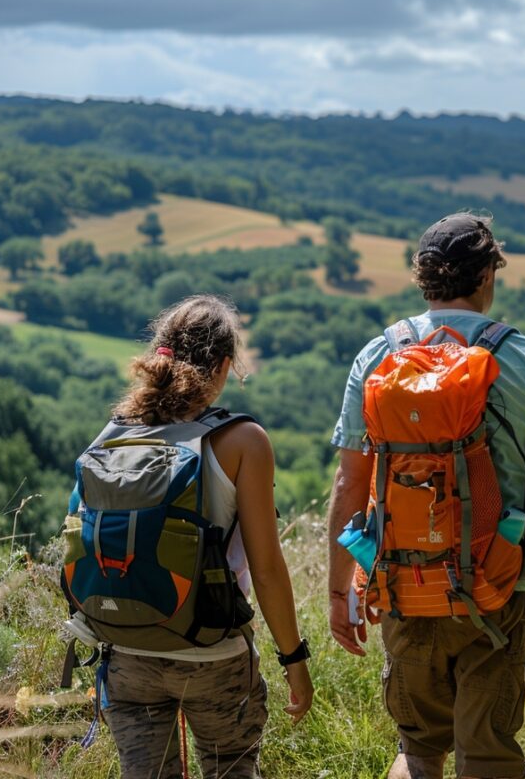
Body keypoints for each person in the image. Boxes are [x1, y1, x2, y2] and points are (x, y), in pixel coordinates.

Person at [326, 212, 525, 779]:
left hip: (401, 584)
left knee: (418, 750)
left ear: (423, 279)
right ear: (487, 276)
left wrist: (338, 594)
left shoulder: (378, 356)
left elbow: (350, 483)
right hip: (495, 589)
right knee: (489, 753)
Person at [95, 295, 313, 778]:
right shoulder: (242, 441)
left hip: (125, 648)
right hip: (211, 651)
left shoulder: (114, 435)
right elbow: (267, 566)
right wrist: (294, 658)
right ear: (223, 366)